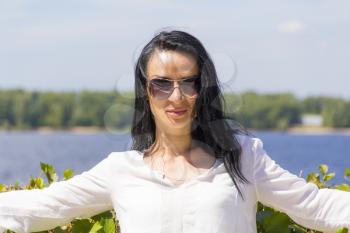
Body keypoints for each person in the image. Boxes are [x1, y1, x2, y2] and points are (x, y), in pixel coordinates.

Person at [0, 30, 349, 233]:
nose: (176, 97)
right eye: (161, 84)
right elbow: (42, 205)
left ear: (204, 87)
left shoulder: (243, 158)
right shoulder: (121, 170)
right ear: (145, 92)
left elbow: (313, 206)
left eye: (189, 83)